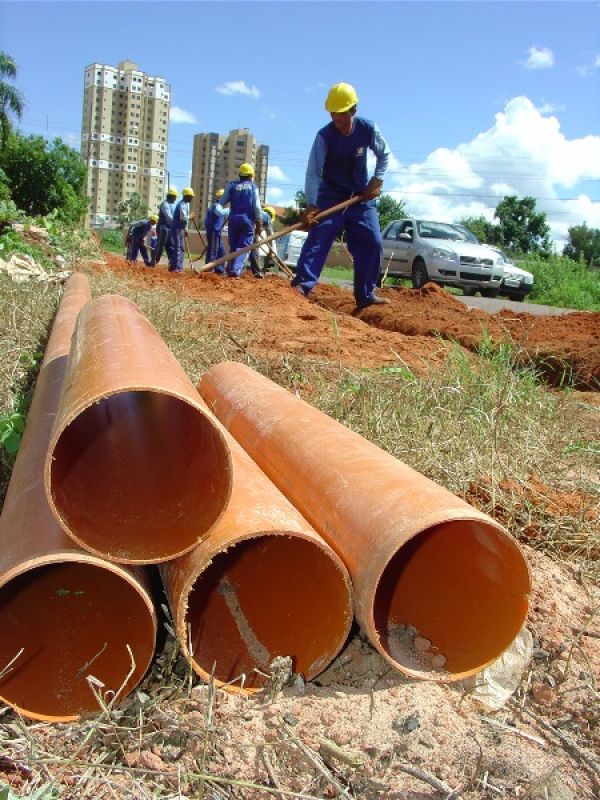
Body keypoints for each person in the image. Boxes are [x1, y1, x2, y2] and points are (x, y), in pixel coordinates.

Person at [291, 82, 392, 309]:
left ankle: (366, 294)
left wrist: (377, 180)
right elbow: (313, 172)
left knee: (372, 241)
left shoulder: (367, 128)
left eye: (342, 114)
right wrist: (311, 205)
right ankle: (302, 286)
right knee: (319, 237)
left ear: (353, 110)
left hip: (360, 196)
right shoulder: (324, 136)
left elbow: (384, 155)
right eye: (333, 114)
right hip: (331, 195)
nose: (337, 119)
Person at [215, 163, 262, 277]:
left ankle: (230, 269)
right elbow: (256, 205)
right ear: (251, 175)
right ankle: (236, 270)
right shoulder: (252, 186)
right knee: (244, 246)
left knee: (234, 245)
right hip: (247, 220)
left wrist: (219, 212)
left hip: (233, 219)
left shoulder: (231, 185)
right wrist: (258, 220)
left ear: (240, 174)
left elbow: (221, 202)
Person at [204, 188, 229, 274]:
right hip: (214, 232)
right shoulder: (217, 206)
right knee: (213, 251)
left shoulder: (214, 206)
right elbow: (220, 212)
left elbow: (206, 221)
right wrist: (229, 210)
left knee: (221, 252)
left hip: (216, 232)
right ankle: (208, 270)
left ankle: (219, 270)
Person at [170, 187, 194, 273]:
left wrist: (186, 229)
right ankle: (177, 268)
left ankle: (175, 266)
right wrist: (190, 217)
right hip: (176, 228)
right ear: (186, 196)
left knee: (182, 248)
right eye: (191, 196)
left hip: (181, 228)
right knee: (178, 248)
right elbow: (183, 217)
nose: (192, 198)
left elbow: (185, 219)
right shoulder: (181, 205)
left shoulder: (186, 204)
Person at [248, 205, 276, 278]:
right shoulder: (267, 217)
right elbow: (270, 236)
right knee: (255, 248)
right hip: (252, 227)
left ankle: (233, 268)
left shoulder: (259, 212)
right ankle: (256, 271)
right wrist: (270, 251)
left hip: (246, 223)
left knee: (241, 246)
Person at [153, 187, 178, 268]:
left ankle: (171, 264)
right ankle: (154, 262)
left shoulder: (172, 205)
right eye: (175, 197)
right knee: (161, 245)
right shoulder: (165, 204)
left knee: (170, 246)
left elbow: (174, 217)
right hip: (163, 227)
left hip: (170, 228)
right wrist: (176, 224)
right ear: (171, 196)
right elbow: (169, 217)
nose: (175, 199)